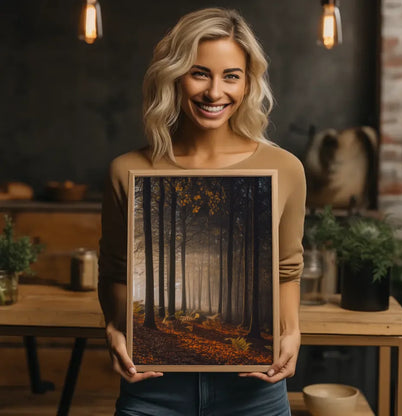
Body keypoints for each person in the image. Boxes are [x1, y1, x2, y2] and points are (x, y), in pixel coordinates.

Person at [98, 7, 306, 416]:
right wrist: (113, 327)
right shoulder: (128, 170)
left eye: (231, 76)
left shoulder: (285, 168)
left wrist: (293, 332)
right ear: (173, 76)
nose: (215, 93)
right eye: (199, 73)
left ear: (248, 84)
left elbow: (287, 270)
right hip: (152, 390)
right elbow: (115, 271)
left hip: (254, 392)